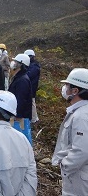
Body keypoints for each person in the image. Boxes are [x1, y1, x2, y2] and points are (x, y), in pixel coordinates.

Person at [52, 68, 88, 196]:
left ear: (75, 91)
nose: (64, 88)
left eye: (67, 85)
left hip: (79, 178)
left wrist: (65, 165)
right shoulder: (80, 112)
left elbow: (82, 150)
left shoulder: (82, 116)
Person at [8, 53, 32, 121]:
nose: (13, 63)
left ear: (21, 64)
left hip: (20, 117)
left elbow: (21, 99)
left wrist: (18, 115)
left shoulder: (22, 80)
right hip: (15, 113)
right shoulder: (19, 77)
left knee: (20, 130)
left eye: (16, 62)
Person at [24, 49, 41, 124]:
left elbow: (29, 75)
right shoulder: (32, 65)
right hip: (30, 87)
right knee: (30, 102)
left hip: (32, 87)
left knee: (31, 103)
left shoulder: (35, 66)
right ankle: (34, 118)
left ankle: (34, 119)